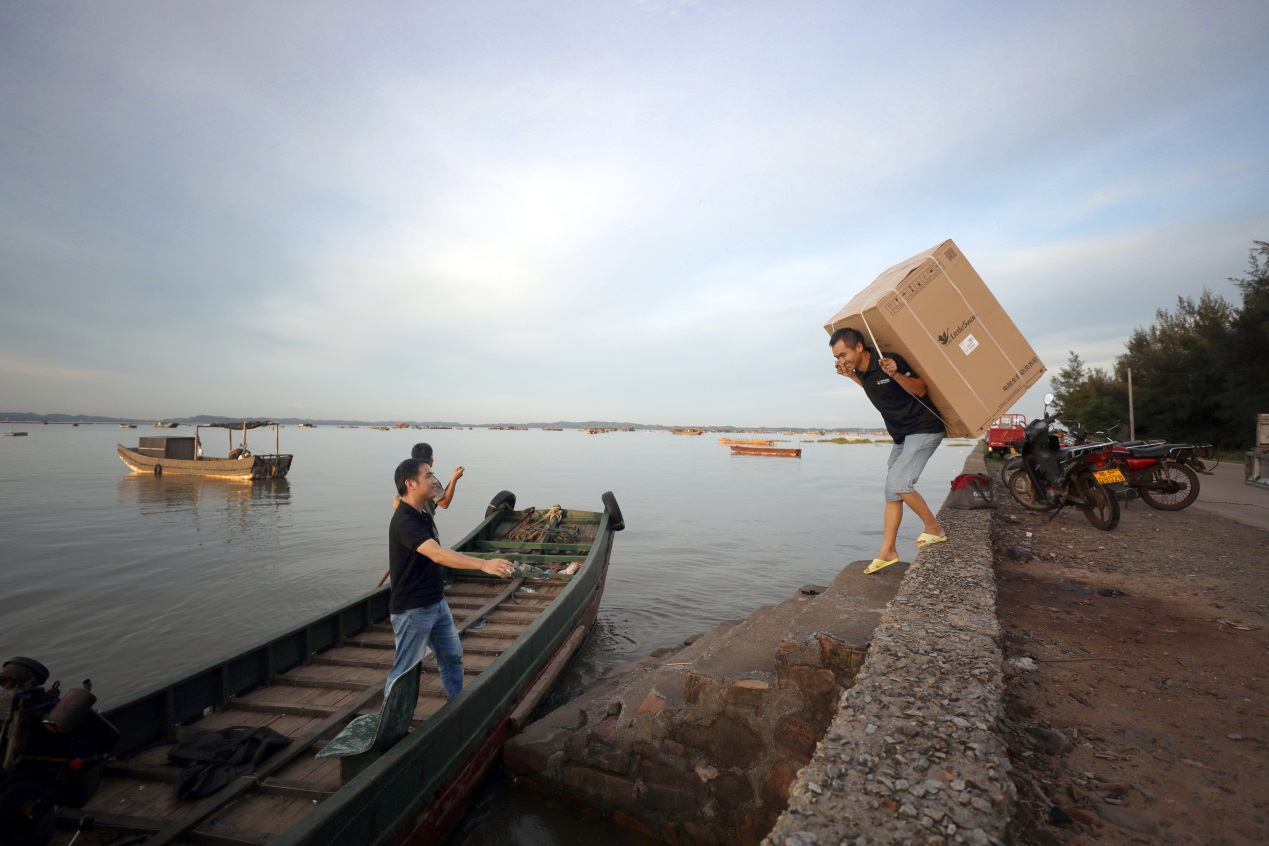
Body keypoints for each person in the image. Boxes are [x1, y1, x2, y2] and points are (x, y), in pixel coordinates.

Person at [385, 458, 513, 695]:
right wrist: (484, 565)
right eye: (429, 476)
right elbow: (437, 554)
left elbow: (441, 553)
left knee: (452, 657)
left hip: (436, 603)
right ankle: (391, 728)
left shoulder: (422, 512)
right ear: (411, 483)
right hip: (413, 610)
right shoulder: (404, 521)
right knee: (404, 672)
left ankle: (456, 704)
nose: (435, 480)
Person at [829, 327, 947, 573]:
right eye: (837, 358)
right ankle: (888, 550)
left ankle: (934, 528)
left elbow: (921, 389)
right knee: (891, 491)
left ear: (859, 347)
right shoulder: (863, 372)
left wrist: (895, 375)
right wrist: (849, 375)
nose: (841, 361)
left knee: (899, 484)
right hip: (902, 437)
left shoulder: (888, 362)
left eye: (843, 355)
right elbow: (873, 387)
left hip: (924, 429)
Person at [409, 443, 464, 516]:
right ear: (431, 458)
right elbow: (444, 503)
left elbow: (395, 505)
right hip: (424, 523)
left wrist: (454, 478)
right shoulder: (430, 480)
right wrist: (454, 479)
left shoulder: (407, 476)